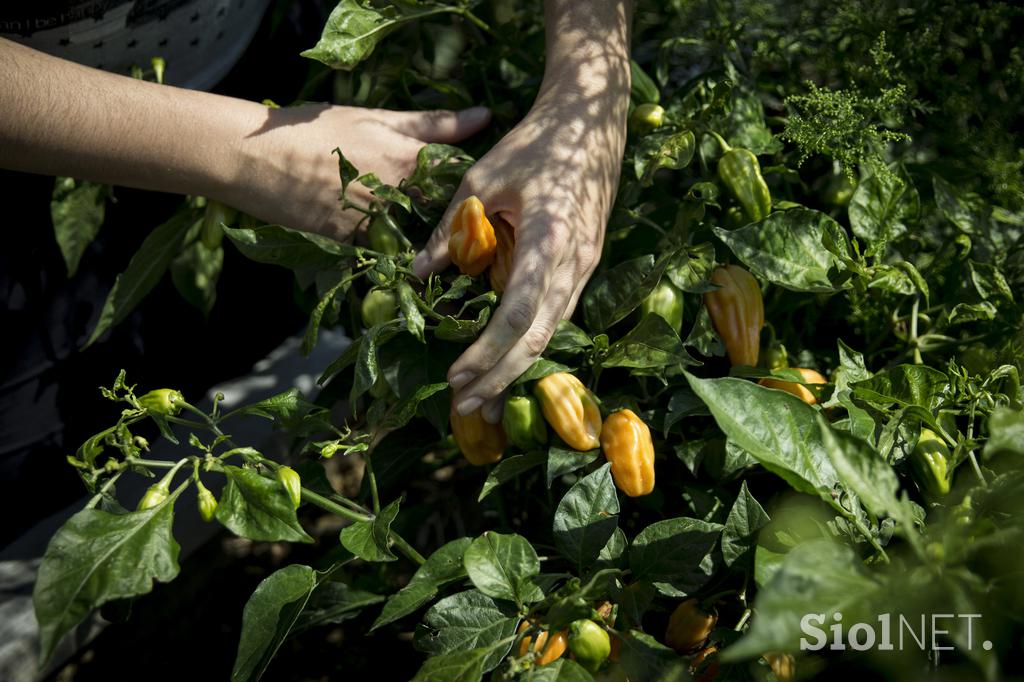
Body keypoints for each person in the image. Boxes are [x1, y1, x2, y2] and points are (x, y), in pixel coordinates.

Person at [0, 0, 632, 424]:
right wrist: (245, 155)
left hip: (267, 57)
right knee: (60, 435)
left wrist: (588, 100)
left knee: (255, 355)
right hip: (33, 150)